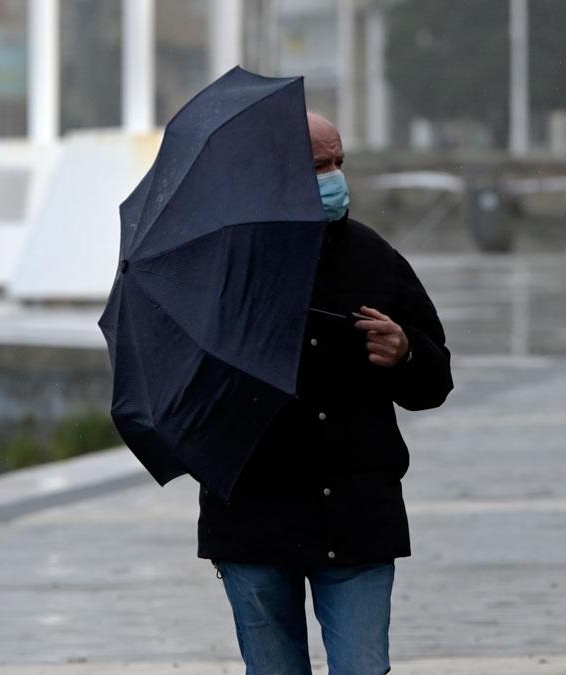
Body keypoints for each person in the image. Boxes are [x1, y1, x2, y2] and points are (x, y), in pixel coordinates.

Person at [198, 112, 454, 675]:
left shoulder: (374, 257)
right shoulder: (229, 264)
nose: (335, 177)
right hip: (253, 520)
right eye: (319, 165)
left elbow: (435, 383)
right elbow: (192, 395)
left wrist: (406, 351)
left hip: (358, 517)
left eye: (339, 162)